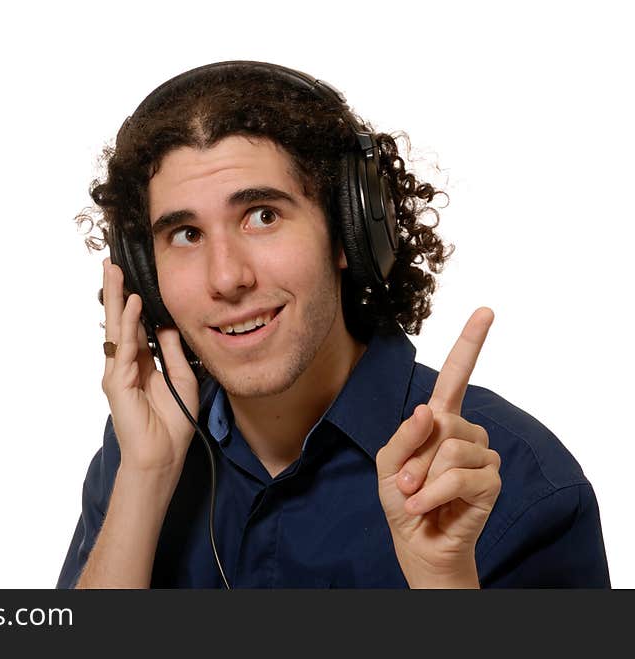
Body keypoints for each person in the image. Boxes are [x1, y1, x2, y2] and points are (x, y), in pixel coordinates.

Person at [57, 61, 610, 588]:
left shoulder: (519, 479)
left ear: (347, 231)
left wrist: (444, 582)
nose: (226, 278)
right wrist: (145, 479)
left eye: (262, 216)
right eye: (186, 234)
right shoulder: (139, 452)